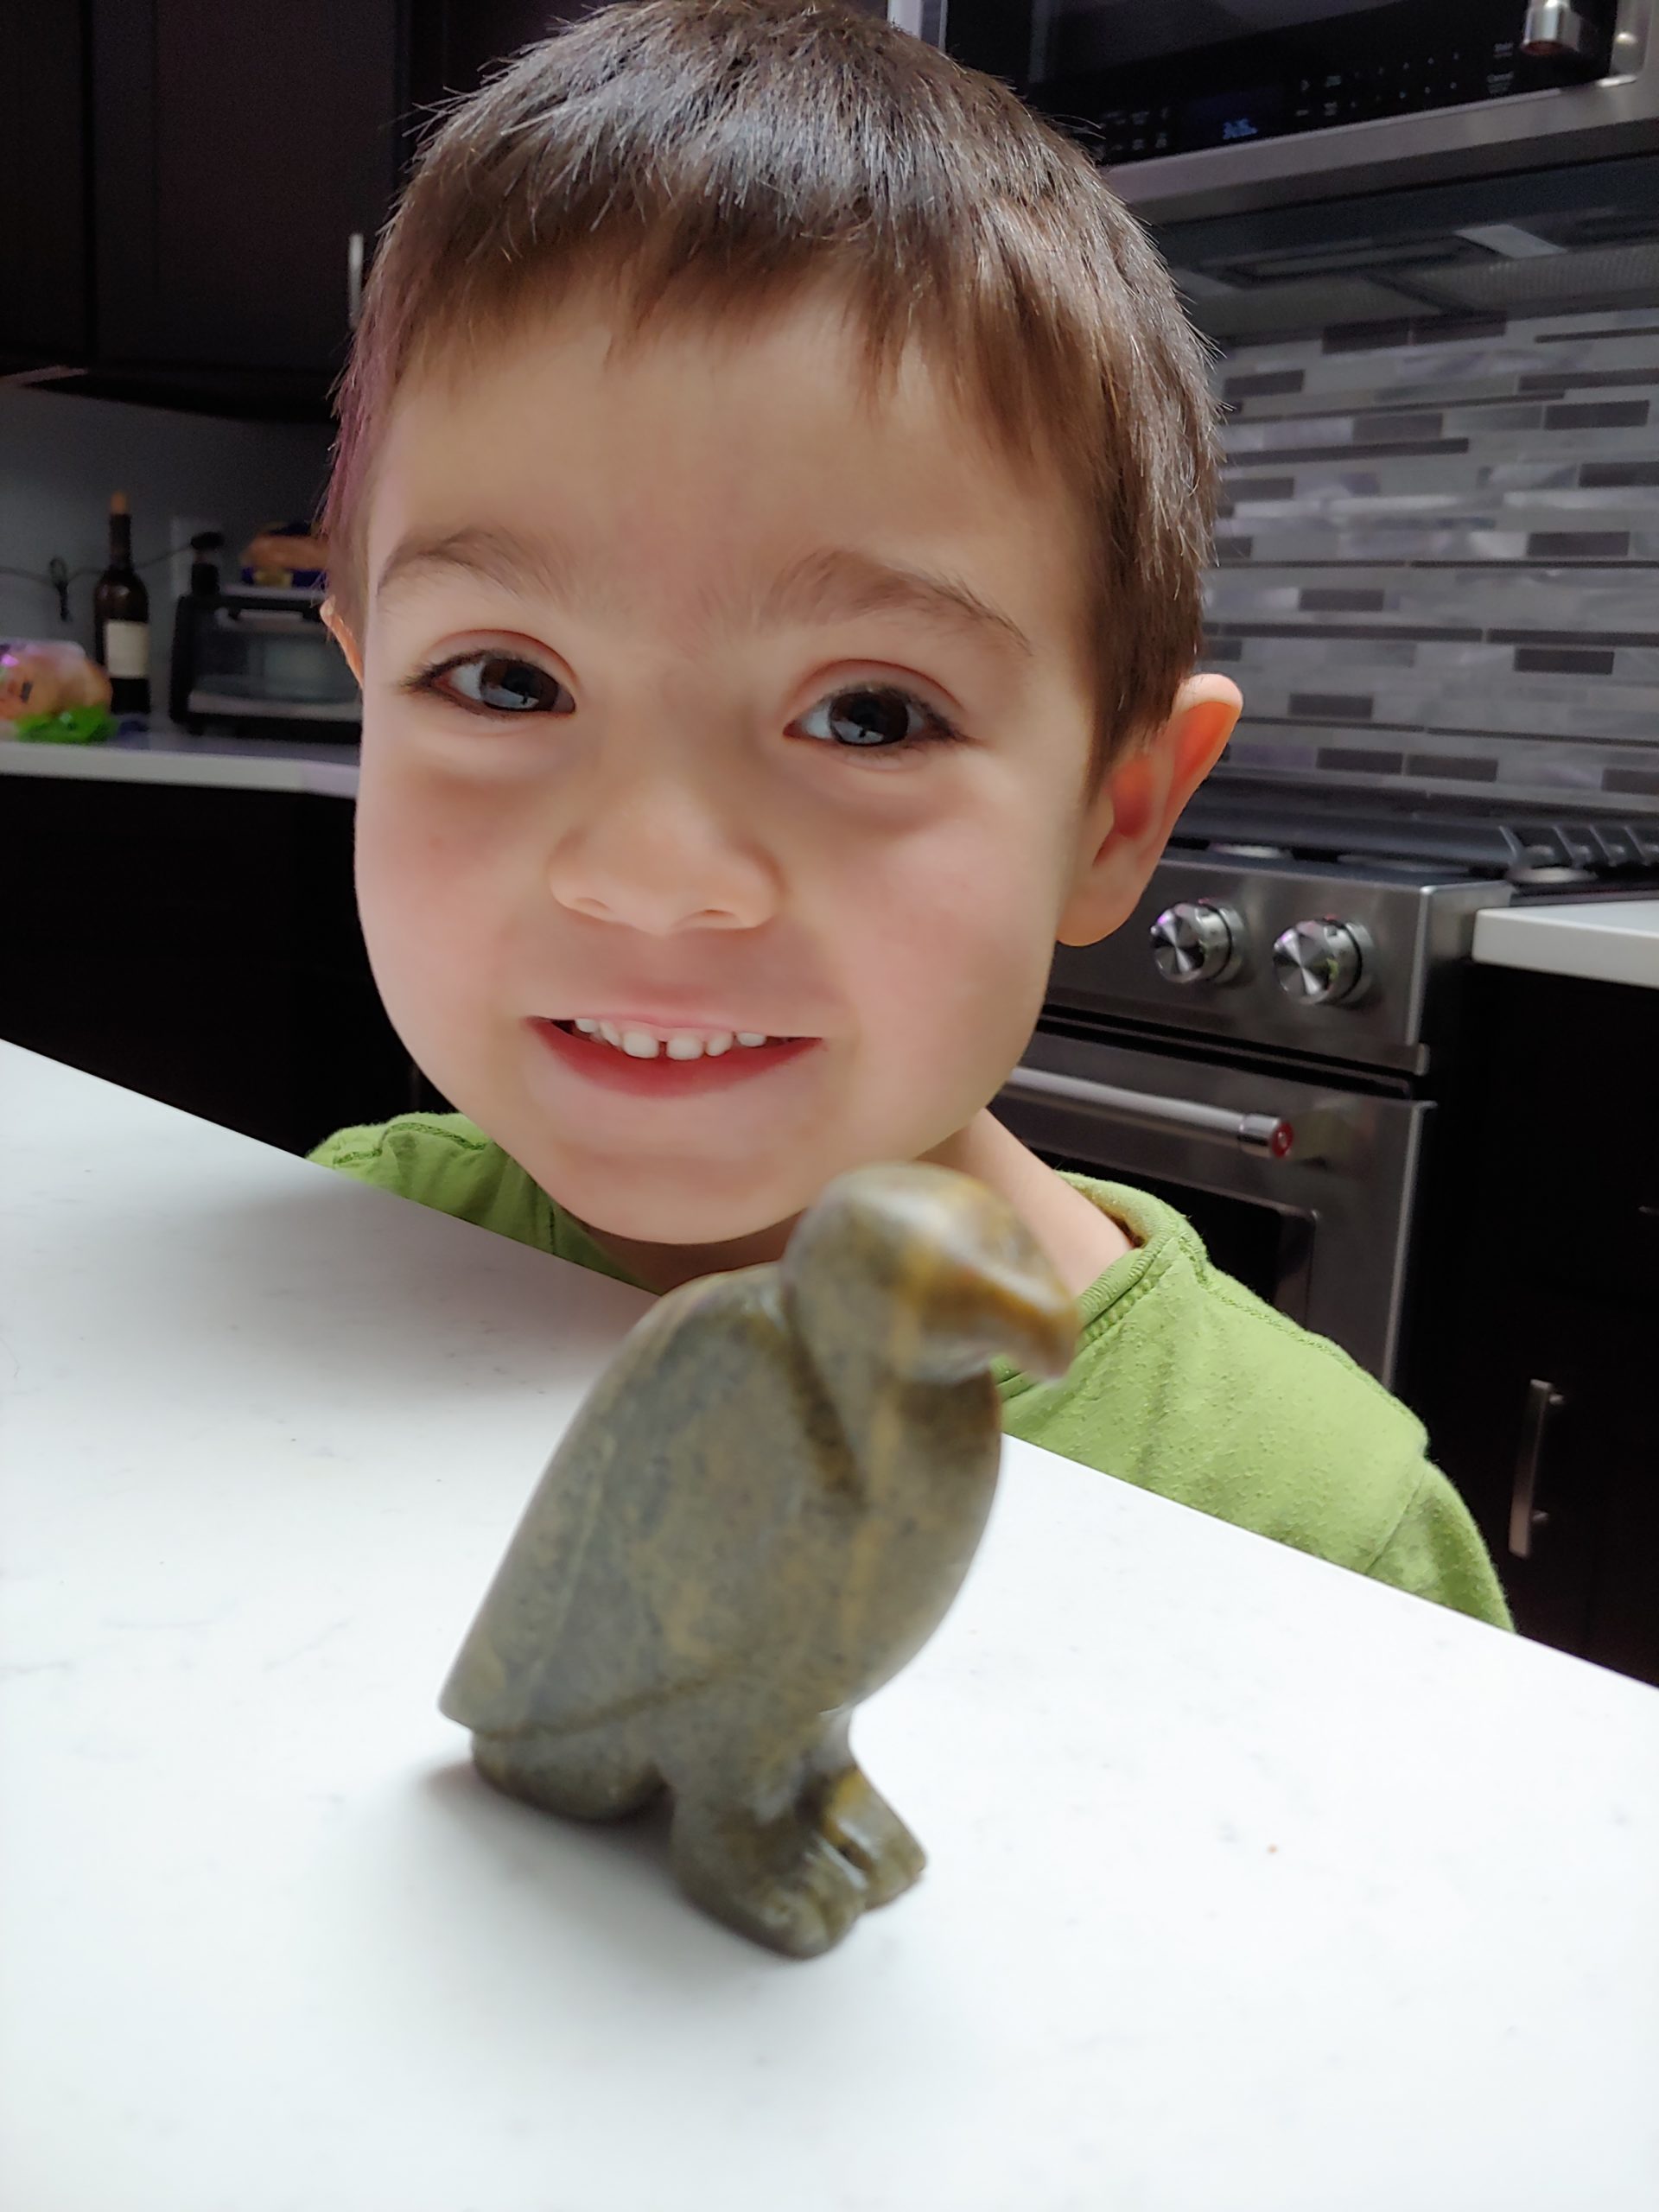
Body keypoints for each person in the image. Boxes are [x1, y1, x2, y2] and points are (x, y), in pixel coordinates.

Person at [308, 0, 1512, 1631]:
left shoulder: (1315, 1542)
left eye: (870, 713)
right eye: (506, 682)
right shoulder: (344, 1253)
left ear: (1116, 813)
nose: (656, 878)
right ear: (366, 687)